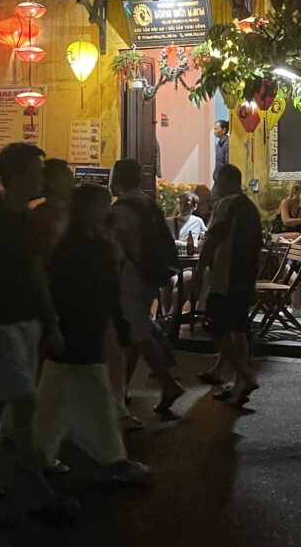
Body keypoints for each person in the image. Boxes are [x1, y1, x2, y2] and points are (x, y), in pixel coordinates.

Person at [0, 143, 78, 520]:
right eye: (38, 171)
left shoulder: (25, 216)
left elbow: (35, 272)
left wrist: (50, 320)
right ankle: (38, 490)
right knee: (25, 403)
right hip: (2, 325)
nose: (43, 177)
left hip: (24, 322)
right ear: (19, 175)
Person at [33, 184, 150, 486]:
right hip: (79, 326)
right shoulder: (83, 245)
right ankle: (112, 457)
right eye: (98, 204)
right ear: (84, 208)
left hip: (81, 326)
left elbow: (103, 288)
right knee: (94, 393)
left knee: (55, 393)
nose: (105, 209)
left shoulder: (78, 243)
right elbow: (76, 289)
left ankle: (39, 452)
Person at [110, 158, 184, 414]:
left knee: (138, 333)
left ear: (116, 178)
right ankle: (122, 391)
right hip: (149, 276)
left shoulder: (122, 209)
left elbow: (119, 248)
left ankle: (168, 383)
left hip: (131, 277)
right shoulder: (148, 203)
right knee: (133, 336)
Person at [193, 164, 262, 408]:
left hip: (225, 277)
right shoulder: (250, 208)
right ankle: (237, 385)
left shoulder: (226, 204)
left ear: (225, 181)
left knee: (215, 328)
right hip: (244, 277)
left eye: (217, 182)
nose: (215, 187)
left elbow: (213, 239)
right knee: (238, 329)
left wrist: (200, 270)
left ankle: (244, 375)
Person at [160, 191, 207, 316]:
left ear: (194, 206)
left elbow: (206, 238)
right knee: (167, 281)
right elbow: (169, 242)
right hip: (173, 264)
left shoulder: (198, 222)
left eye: (187, 204)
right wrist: (190, 245)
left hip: (189, 265)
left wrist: (200, 243)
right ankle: (168, 317)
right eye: (181, 203)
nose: (183, 207)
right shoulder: (169, 222)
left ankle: (171, 317)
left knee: (185, 281)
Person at [31, 158, 75, 267]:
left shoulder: (73, 209)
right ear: (51, 183)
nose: (72, 185)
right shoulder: (39, 212)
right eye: (68, 181)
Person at [212, 119, 230, 189]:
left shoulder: (227, 144)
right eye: (214, 129)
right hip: (218, 179)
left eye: (216, 129)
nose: (214, 131)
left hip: (224, 180)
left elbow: (227, 163)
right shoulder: (219, 144)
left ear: (224, 130)